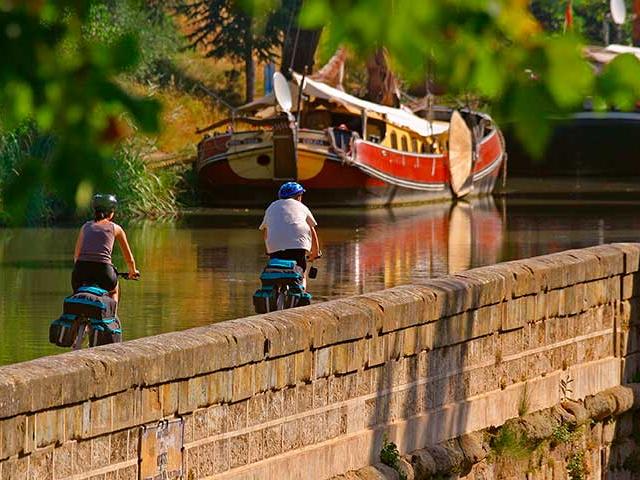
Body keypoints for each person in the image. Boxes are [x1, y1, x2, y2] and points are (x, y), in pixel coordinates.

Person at [72, 194, 139, 302]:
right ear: (111, 212)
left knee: (78, 294)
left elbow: (76, 257)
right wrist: (133, 271)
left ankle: (78, 314)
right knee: (114, 290)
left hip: (80, 271)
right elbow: (129, 259)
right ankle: (112, 315)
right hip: (104, 271)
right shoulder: (116, 228)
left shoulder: (85, 227)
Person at [259, 182, 321, 285]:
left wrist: (269, 250)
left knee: (276, 270)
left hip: (274, 247)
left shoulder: (272, 206)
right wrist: (315, 253)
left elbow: (266, 231)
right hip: (298, 246)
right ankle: (301, 294)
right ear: (298, 196)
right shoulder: (302, 207)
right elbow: (311, 230)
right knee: (301, 272)